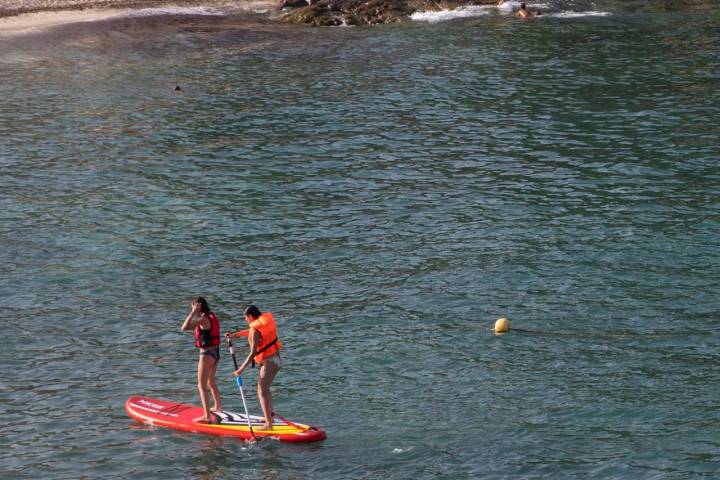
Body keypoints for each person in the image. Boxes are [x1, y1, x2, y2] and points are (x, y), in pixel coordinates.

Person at [226, 305, 283, 430]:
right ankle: (270, 417)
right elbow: (251, 333)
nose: (246, 321)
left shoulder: (255, 330)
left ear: (250, 316)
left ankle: (268, 424)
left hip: (268, 363)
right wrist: (235, 335)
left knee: (261, 391)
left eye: (245, 318)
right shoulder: (264, 323)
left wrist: (240, 369)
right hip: (276, 360)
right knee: (265, 389)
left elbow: (252, 353)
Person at [181, 297, 222, 423]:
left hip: (207, 354)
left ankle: (207, 417)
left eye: (192, 306)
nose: (192, 309)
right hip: (216, 352)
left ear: (198, 307)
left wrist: (193, 312)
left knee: (201, 385)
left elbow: (184, 327)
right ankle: (217, 406)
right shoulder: (211, 316)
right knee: (210, 381)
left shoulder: (203, 319)